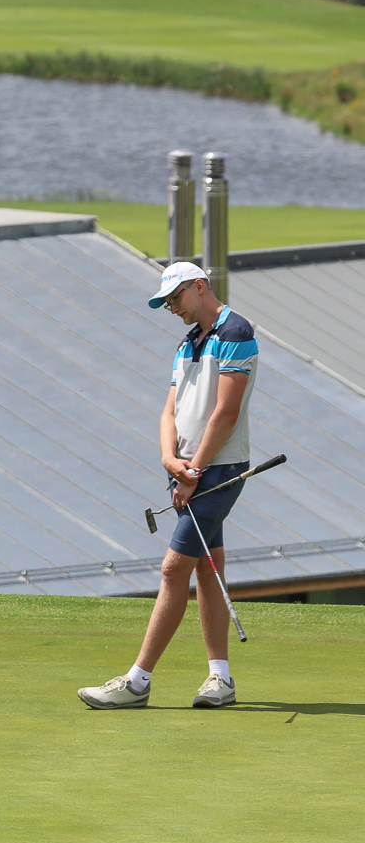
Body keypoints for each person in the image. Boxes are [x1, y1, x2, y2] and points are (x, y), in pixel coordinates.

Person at [80, 262, 257, 711]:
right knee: (206, 566)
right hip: (189, 470)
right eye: (167, 302)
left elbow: (226, 413)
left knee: (173, 569)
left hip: (218, 471)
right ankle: (221, 679)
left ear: (200, 287)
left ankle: (137, 682)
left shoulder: (235, 331)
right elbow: (169, 412)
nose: (172, 308)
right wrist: (168, 460)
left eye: (175, 298)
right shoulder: (186, 343)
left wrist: (192, 472)